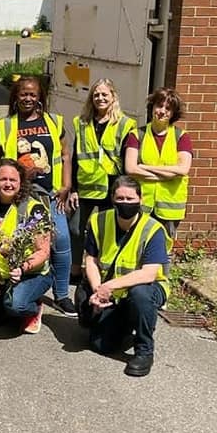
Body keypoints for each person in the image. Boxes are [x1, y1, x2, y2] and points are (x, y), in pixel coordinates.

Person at [0, 75, 75, 317]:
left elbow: (66, 155)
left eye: (32, 94)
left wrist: (66, 185)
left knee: (61, 241)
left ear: (40, 97)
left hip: (51, 195)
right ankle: (19, 291)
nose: (28, 98)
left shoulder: (54, 122)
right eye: (23, 94)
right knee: (18, 243)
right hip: (20, 196)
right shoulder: (6, 125)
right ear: (15, 97)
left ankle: (61, 296)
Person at [76, 176, 171, 377]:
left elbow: (149, 273)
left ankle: (144, 350)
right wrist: (98, 290)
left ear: (140, 199)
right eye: (120, 198)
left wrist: (109, 286)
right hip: (112, 292)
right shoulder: (99, 221)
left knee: (140, 294)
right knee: (99, 345)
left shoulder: (153, 229)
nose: (125, 203)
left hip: (147, 288)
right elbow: (91, 260)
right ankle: (126, 322)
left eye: (130, 199)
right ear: (112, 199)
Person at [0, 159, 53, 333]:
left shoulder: (34, 209)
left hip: (31, 274)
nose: (8, 184)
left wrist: (23, 268)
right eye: (3, 179)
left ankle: (33, 307)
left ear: (21, 182)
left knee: (17, 305)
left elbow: (43, 251)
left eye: (13, 180)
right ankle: (9, 303)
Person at [68, 78, 136, 283]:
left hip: (111, 186)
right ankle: (75, 269)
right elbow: (75, 156)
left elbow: (126, 158)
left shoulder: (125, 124)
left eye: (105, 94)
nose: (100, 98)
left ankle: (102, 270)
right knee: (75, 228)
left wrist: (124, 188)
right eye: (96, 95)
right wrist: (73, 189)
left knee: (107, 231)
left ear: (113, 97)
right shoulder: (82, 122)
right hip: (86, 186)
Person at [123, 87, 193, 238]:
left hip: (169, 208)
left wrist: (145, 168)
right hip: (142, 205)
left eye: (168, 108)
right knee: (138, 244)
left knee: (164, 246)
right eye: (159, 106)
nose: (162, 111)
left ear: (173, 113)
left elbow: (183, 169)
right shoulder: (137, 135)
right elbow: (130, 168)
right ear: (152, 107)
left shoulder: (182, 137)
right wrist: (168, 174)